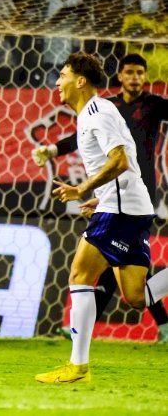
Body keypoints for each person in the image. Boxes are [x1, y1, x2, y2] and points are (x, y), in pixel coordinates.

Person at [34, 53, 168, 383]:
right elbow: (130, 162)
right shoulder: (95, 113)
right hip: (127, 205)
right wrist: (100, 196)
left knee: (80, 274)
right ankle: (77, 365)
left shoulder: (97, 112)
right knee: (136, 298)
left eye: (63, 75)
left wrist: (82, 190)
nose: (57, 82)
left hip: (121, 211)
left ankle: (77, 366)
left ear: (80, 81)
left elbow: (120, 161)